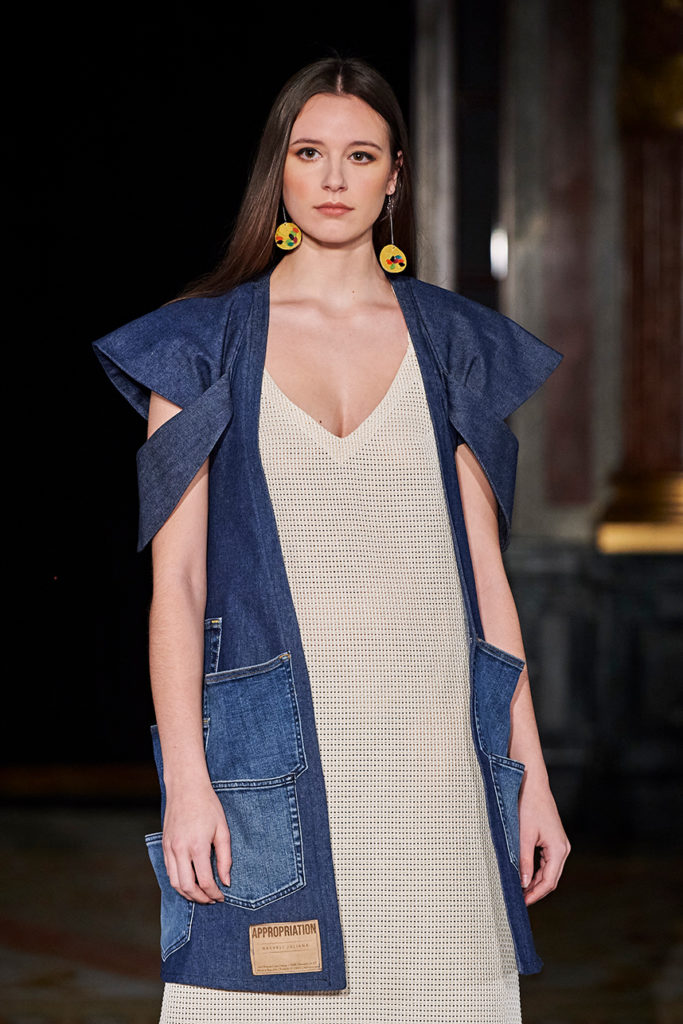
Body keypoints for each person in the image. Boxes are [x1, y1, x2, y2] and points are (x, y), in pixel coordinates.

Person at [94, 56, 570, 1024]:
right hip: (269, 750)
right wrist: (185, 783)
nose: (334, 178)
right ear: (279, 170)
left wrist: (530, 778)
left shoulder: (453, 342)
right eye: (309, 152)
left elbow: (485, 579)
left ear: (394, 175)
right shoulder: (199, 345)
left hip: (437, 757)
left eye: (360, 155)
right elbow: (176, 584)